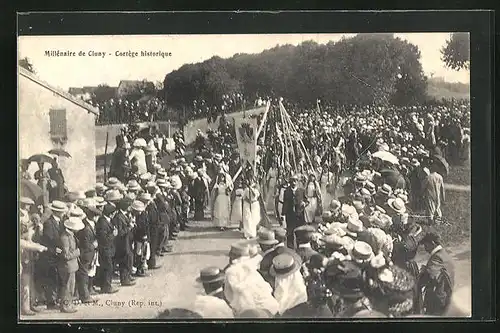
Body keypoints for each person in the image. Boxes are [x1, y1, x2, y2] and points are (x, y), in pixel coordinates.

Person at [416, 229, 455, 316]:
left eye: (426, 245)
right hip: (446, 296)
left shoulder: (437, 257)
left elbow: (430, 276)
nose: (425, 249)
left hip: (437, 300)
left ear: (433, 243)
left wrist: (422, 274)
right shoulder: (444, 254)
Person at [39, 200, 68, 309]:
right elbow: (47, 241)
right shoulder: (48, 223)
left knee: (58, 278)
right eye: (61, 211)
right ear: (57, 212)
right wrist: (55, 250)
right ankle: (50, 302)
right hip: (51, 255)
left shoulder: (61, 221)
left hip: (59, 255)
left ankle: (56, 299)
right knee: (51, 279)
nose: (63, 213)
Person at [20, 209, 48, 316]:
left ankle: (30, 304)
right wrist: (42, 248)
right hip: (24, 261)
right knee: (25, 285)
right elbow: (29, 245)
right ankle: (25, 307)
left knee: (30, 283)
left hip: (29, 260)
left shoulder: (28, 232)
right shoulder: (22, 238)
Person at [58, 216, 84, 313]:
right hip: (67, 266)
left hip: (72, 266)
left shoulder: (70, 236)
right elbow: (66, 255)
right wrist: (78, 252)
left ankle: (68, 304)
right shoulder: (65, 237)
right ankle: (65, 306)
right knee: (67, 287)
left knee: (70, 286)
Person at [76, 203, 100, 303]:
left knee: (88, 273)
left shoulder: (89, 224)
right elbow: (85, 244)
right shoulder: (86, 227)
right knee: (84, 274)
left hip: (89, 253)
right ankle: (85, 296)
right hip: (86, 253)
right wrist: (93, 245)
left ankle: (87, 293)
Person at [95, 203, 119, 294]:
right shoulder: (103, 223)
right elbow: (104, 239)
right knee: (107, 268)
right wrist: (113, 234)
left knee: (108, 267)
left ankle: (105, 285)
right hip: (105, 249)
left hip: (109, 248)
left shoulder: (106, 220)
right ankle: (106, 287)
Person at [112, 198, 136, 287]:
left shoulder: (124, 215)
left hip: (127, 241)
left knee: (129, 259)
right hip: (122, 243)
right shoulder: (119, 217)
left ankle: (128, 276)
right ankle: (124, 279)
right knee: (124, 260)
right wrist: (129, 227)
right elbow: (120, 232)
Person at [282, 175, 307, 248]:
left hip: (299, 215)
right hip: (289, 215)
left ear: (297, 182)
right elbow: (285, 203)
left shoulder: (301, 190)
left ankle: (300, 248)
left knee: (299, 233)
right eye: (292, 181)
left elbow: (306, 200)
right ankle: (290, 249)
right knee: (290, 233)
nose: (293, 183)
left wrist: (304, 203)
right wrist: (283, 214)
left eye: (295, 181)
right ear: (289, 182)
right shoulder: (286, 191)